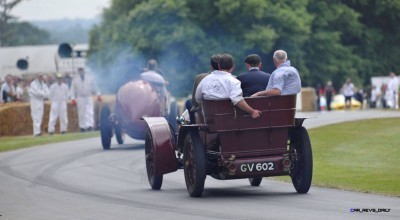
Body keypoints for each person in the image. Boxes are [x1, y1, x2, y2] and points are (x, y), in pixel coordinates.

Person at [195, 53, 261, 119]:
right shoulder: (234, 81)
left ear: (219, 65)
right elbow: (237, 100)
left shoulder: (204, 80)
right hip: (228, 122)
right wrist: (252, 112)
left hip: (210, 122)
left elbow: (197, 98)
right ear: (233, 66)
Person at [70, 67, 101, 132]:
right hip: (80, 97)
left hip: (88, 96)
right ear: (78, 72)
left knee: (90, 112)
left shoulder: (90, 79)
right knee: (81, 113)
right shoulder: (75, 80)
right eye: (80, 71)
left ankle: (90, 126)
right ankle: (82, 127)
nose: (81, 72)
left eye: (82, 70)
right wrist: (72, 98)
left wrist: (98, 94)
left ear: (84, 71)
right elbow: (72, 90)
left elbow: (95, 87)